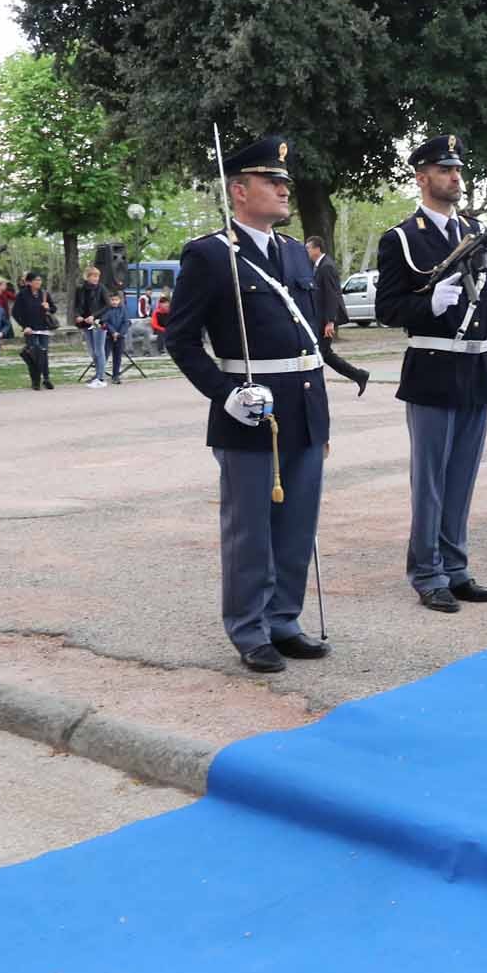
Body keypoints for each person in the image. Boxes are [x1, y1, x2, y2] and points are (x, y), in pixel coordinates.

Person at [165, 133, 331, 673]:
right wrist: (225, 393)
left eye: (285, 181)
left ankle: (284, 619)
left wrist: (321, 420)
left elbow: (307, 340)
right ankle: (248, 626)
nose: (285, 189)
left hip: (303, 405)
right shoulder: (211, 255)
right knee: (250, 528)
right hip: (249, 408)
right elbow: (182, 340)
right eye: (272, 181)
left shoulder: (290, 253)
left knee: (297, 523)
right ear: (239, 190)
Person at [375, 133, 487, 613]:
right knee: (430, 479)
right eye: (445, 170)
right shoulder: (403, 238)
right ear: (421, 176)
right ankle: (427, 573)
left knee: (463, 476)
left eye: (458, 169)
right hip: (431, 366)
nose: (455, 177)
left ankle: (456, 567)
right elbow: (387, 307)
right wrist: (426, 304)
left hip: (474, 366)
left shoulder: (473, 231)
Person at [304, 235, 370, 396]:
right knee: (322, 352)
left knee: (323, 352)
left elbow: (332, 295)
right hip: (321, 318)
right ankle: (358, 375)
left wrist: (330, 321)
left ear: (317, 249)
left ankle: (358, 375)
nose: (306, 251)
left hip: (325, 319)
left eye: (308, 248)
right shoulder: (319, 265)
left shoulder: (326, 266)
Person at [12, 270, 57, 390]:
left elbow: (54, 309)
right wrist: (24, 326)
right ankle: (36, 381)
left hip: (44, 328)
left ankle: (46, 378)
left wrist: (49, 307)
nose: (39, 282)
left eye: (40, 280)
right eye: (36, 280)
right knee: (33, 355)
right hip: (30, 330)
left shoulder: (44, 293)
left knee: (44, 354)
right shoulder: (22, 295)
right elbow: (15, 313)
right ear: (29, 282)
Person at [73, 265, 110, 388]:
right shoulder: (80, 289)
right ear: (87, 277)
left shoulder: (101, 288)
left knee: (99, 350)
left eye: (97, 276)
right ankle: (98, 374)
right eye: (94, 276)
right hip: (85, 322)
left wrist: (94, 316)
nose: (96, 278)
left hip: (98, 322)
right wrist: (78, 315)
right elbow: (77, 305)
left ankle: (100, 377)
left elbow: (107, 305)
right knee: (92, 350)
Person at [100, 291, 133, 384]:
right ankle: (100, 375)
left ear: (120, 300)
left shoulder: (123, 309)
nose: (114, 302)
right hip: (108, 336)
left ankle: (116, 376)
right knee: (104, 356)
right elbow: (104, 322)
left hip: (120, 337)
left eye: (116, 300)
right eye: (112, 300)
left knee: (117, 357)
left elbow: (126, 322)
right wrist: (113, 332)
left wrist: (119, 333)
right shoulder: (107, 310)